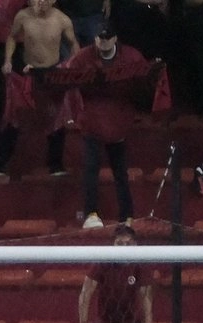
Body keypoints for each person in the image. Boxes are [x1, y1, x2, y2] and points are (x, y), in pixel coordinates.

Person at [61, 21, 150, 228]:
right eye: (100, 38)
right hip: (92, 121)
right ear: (95, 39)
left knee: (120, 172)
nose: (103, 42)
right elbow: (63, 76)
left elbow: (146, 82)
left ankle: (127, 216)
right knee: (91, 169)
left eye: (107, 38)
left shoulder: (131, 57)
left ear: (115, 38)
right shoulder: (82, 57)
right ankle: (91, 214)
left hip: (118, 122)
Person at [0, 0, 77, 177]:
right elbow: (11, 37)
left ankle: (56, 165)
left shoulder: (62, 20)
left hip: (51, 73)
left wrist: (73, 65)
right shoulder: (23, 16)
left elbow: (73, 44)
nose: (42, 2)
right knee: (14, 116)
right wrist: (8, 61)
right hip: (28, 72)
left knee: (55, 117)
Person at [77, 225, 153, 323]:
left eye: (128, 243)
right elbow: (86, 292)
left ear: (135, 245)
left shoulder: (139, 264)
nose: (124, 247)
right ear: (113, 245)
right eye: (119, 243)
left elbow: (146, 297)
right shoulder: (103, 261)